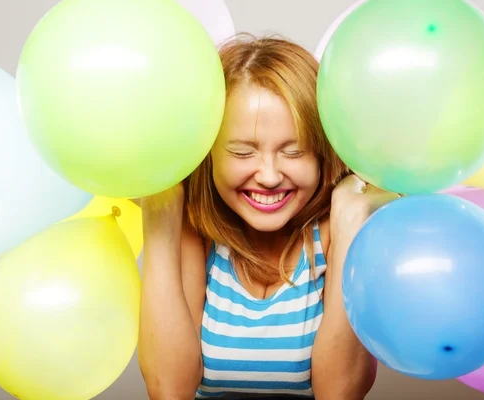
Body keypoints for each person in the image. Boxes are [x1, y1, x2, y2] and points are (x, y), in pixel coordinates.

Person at [137, 34, 400, 399]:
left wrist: (352, 224)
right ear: (208, 153)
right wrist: (159, 216)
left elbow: (339, 393)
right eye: (243, 153)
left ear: (323, 153)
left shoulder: (340, 233)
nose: (270, 176)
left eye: (295, 152)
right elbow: (170, 390)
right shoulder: (195, 233)